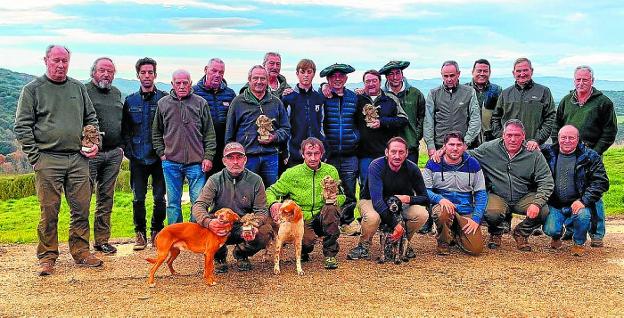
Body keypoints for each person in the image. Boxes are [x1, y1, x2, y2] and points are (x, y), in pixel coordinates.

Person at [14, 45, 102, 275]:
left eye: (65, 61)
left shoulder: (78, 88)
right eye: (56, 60)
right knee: (49, 211)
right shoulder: (32, 90)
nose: (61, 65)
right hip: (48, 158)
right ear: (46, 60)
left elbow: (91, 118)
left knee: (81, 208)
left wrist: (94, 144)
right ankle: (47, 256)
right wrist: (35, 158)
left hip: (78, 158)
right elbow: (22, 126)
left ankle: (81, 252)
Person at [467, 119, 554, 251]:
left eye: (517, 135)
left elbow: (546, 180)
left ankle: (521, 232)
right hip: (498, 195)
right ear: (503, 135)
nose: (513, 139)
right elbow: (466, 155)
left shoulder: (534, 154)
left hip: (524, 195)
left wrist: (537, 203)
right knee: (491, 212)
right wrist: (443, 151)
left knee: (543, 211)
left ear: (523, 136)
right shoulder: (489, 149)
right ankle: (496, 232)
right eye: (509, 135)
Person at [555, 65, 617, 247]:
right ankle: (572, 228)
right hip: (567, 153)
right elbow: (557, 126)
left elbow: (609, 131)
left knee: (593, 193)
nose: (581, 83)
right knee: (568, 189)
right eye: (578, 80)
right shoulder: (566, 100)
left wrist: (595, 152)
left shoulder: (603, 103)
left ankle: (597, 233)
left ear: (592, 81)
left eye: (585, 80)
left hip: (591, 154)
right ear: (574, 81)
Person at [192, 142, 272, 272]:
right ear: (224, 161)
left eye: (239, 157)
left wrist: (254, 225)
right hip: (220, 225)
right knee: (197, 222)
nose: (235, 161)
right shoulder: (214, 179)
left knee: (265, 231)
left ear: (245, 159)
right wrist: (209, 222)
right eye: (230, 158)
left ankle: (242, 253)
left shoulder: (256, 180)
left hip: (243, 225)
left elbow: (261, 210)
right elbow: (199, 205)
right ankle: (219, 256)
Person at [266, 137, 345, 269]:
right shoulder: (292, 173)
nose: (313, 158)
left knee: (331, 209)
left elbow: (342, 195)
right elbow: (270, 191)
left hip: (323, 214)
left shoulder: (331, 171)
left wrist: (334, 199)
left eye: (316, 154)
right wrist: (273, 203)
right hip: (301, 218)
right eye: (309, 154)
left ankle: (330, 254)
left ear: (322, 154)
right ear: (302, 154)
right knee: (307, 241)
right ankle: (304, 251)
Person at [347, 137, 429, 260]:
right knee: (372, 217)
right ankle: (363, 246)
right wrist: (396, 224)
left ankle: (403, 242)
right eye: (393, 152)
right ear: (386, 152)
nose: (397, 156)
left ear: (407, 153)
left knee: (421, 214)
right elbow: (378, 202)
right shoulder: (376, 166)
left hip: (399, 203)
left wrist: (409, 199)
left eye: (401, 152)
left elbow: (425, 198)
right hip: (371, 200)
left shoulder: (412, 168)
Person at [152, 69, 216, 224]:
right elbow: (156, 132)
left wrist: (208, 157)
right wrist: (162, 153)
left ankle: (195, 234)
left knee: (198, 203)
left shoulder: (200, 103)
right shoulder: (163, 104)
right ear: (172, 84)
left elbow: (209, 133)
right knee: (173, 204)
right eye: (178, 83)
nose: (181, 86)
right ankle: (175, 235)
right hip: (171, 162)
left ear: (190, 83)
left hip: (196, 163)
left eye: (185, 82)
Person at [121, 57, 168, 250]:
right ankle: (139, 233)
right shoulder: (130, 100)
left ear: (155, 75)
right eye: (143, 73)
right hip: (137, 158)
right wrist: (129, 152)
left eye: (150, 72)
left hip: (159, 157)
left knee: (159, 198)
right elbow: (125, 129)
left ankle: (157, 231)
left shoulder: (164, 99)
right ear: (138, 75)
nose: (147, 76)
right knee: (138, 198)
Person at [542, 125, 609, 256]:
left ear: (578, 139)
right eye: (563, 137)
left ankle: (579, 242)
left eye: (571, 138)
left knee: (583, 216)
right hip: (555, 204)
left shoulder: (590, 156)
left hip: (579, 203)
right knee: (550, 229)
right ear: (558, 138)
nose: (567, 140)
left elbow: (601, 182)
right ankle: (556, 235)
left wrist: (583, 201)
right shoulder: (548, 153)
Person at [423, 131, 487, 255]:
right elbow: (425, 190)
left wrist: (476, 218)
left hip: (465, 208)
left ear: (464, 147)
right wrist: (439, 199)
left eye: (459, 145)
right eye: (451, 144)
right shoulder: (433, 163)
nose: (455, 148)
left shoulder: (473, 164)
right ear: (444, 146)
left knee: (475, 249)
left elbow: (481, 193)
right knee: (443, 212)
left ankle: (456, 233)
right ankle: (443, 241)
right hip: (443, 206)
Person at [225, 65, 290, 187]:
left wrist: (274, 137)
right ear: (249, 80)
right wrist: (233, 157)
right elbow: (229, 133)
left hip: (271, 156)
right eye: (255, 78)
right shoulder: (238, 102)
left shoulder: (276, 102)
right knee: (246, 194)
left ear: (267, 80)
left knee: (271, 193)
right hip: (247, 157)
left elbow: (286, 129)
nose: (259, 82)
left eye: (262, 78)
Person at [85, 57, 124, 254]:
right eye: (102, 70)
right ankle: (82, 244)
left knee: (106, 198)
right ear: (93, 72)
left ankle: (101, 240)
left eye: (110, 71)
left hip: (113, 153)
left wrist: (122, 146)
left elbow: (122, 120)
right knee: (84, 197)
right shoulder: (83, 91)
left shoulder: (116, 93)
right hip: (91, 154)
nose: (106, 75)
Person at [318, 63, 359, 227]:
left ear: (346, 78)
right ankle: (330, 222)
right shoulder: (323, 97)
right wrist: (322, 87)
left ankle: (347, 222)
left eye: (341, 76)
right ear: (328, 79)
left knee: (349, 189)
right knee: (330, 189)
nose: (337, 79)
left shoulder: (354, 97)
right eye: (333, 76)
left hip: (350, 151)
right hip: (330, 153)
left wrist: (357, 138)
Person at [356, 69, 408, 187]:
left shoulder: (390, 99)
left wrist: (382, 122)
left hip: (384, 153)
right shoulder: (357, 99)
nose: (371, 84)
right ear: (364, 83)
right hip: (363, 153)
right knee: (366, 186)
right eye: (368, 81)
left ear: (380, 82)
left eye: (374, 80)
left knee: (387, 185)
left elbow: (403, 120)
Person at [491, 57, 556, 151]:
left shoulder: (543, 91)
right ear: (513, 73)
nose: (522, 74)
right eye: (518, 71)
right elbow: (495, 118)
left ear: (532, 71)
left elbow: (551, 118)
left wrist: (537, 140)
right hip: (508, 148)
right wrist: (502, 137)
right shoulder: (505, 93)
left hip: (533, 147)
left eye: (525, 70)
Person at [424, 60, 481, 156]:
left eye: (452, 75)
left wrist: (465, 143)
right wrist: (430, 146)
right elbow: (428, 121)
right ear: (441, 75)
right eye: (445, 76)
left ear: (458, 74)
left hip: (462, 146)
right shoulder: (434, 94)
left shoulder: (469, 92)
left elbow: (475, 120)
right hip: (440, 146)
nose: (449, 79)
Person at [193, 58, 237, 174]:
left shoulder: (230, 94)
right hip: (201, 149)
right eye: (214, 71)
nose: (217, 75)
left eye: (221, 72)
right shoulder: (194, 92)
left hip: (224, 148)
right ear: (206, 70)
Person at [281, 59, 326, 167]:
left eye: (309, 72)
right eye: (302, 72)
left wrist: (324, 151)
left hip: (315, 155)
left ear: (314, 74)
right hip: (294, 154)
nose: (306, 75)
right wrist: (285, 153)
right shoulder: (288, 98)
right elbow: (284, 127)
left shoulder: (319, 98)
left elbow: (322, 125)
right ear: (297, 74)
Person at [379, 60, 426, 163]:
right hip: (387, 148)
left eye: (397, 73)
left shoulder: (415, 93)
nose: (395, 77)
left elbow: (422, 116)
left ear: (402, 74)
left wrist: (416, 136)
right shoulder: (381, 95)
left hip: (410, 146)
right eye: (391, 74)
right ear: (386, 77)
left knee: (410, 176)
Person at [465, 59, 502, 143]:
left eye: (485, 71)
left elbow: (501, 114)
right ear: (472, 72)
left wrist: (498, 134)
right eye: (479, 71)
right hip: (469, 139)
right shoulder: (465, 90)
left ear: (490, 73)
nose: (482, 74)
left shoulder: (497, 90)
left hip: (491, 138)